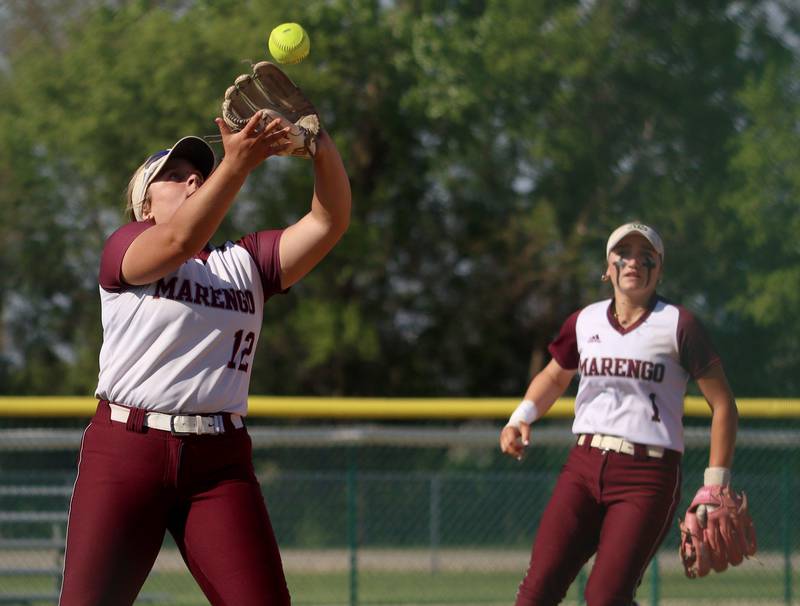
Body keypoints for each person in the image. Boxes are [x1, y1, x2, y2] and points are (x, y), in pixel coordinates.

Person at [59, 110, 351, 605]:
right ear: (144, 205)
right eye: (171, 176)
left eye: (197, 172)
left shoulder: (245, 263)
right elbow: (178, 240)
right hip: (128, 451)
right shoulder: (126, 247)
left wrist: (320, 146)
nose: (191, 177)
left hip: (219, 464)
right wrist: (234, 166)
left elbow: (329, 221)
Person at [500, 222, 739, 606]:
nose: (633, 262)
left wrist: (715, 483)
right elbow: (554, 376)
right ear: (607, 268)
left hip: (647, 476)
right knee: (536, 591)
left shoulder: (680, 324)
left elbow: (724, 404)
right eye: (623, 254)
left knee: (605, 597)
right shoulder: (585, 321)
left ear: (659, 269)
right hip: (583, 465)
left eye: (646, 256)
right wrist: (521, 416)